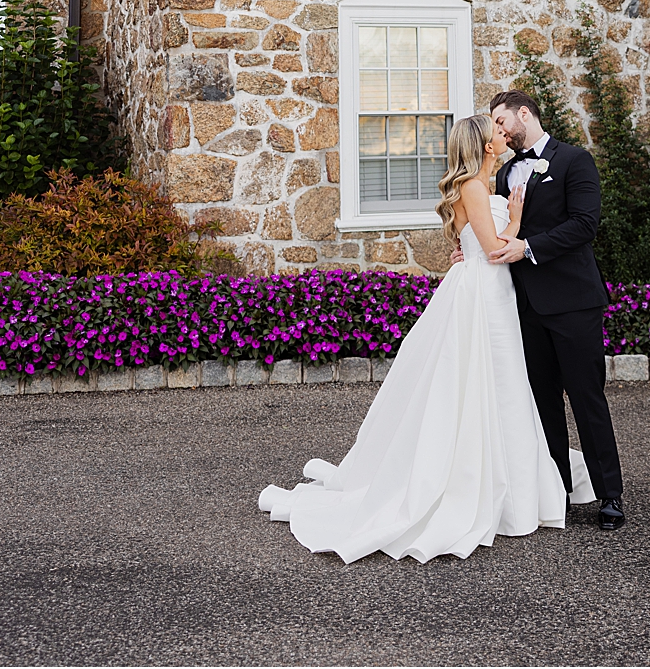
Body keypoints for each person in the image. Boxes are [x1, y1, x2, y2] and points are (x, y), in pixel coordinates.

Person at [258, 113, 593, 562]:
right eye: (496, 131)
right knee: (487, 382)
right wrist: (513, 220)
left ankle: (512, 481)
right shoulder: (475, 187)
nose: (503, 133)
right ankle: (483, 484)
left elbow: (472, 242)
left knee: (504, 387)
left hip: (490, 291)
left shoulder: (479, 184)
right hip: (482, 292)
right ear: (486, 145)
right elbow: (494, 251)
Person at [480, 88, 627, 531]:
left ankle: (610, 494)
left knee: (586, 397)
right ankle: (555, 489)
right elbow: (500, 232)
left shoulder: (574, 160)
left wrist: (529, 248)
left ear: (525, 113)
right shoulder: (505, 174)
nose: (499, 130)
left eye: (503, 121)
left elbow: (585, 225)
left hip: (574, 303)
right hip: (524, 306)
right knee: (541, 402)